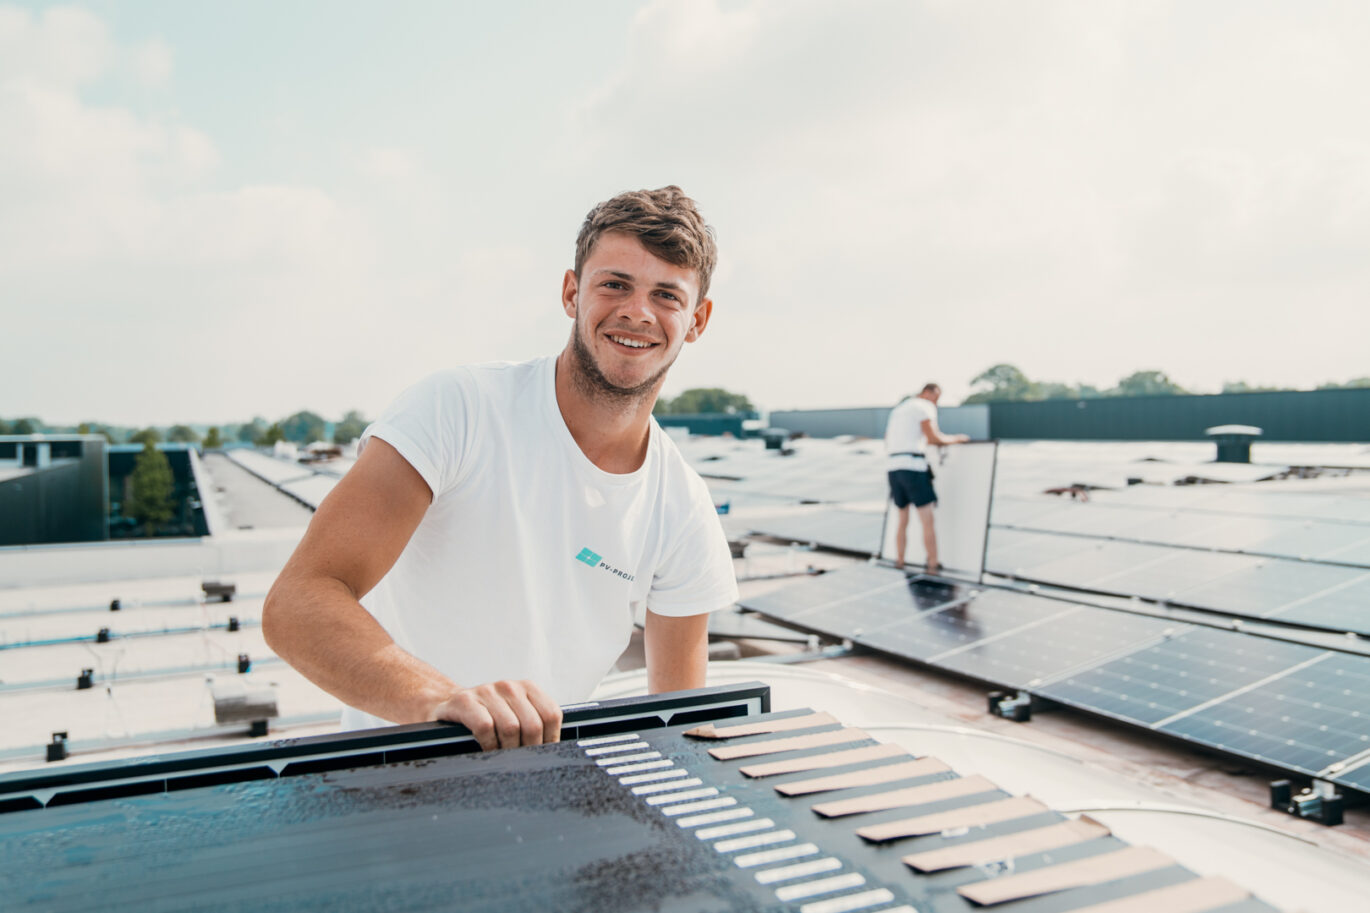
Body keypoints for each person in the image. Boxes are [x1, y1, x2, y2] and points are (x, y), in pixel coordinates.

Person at [263, 186, 739, 751]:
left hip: (547, 805)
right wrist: (439, 701)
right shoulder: (458, 410)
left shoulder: (681, 505)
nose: (637, 311)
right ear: (571, 292)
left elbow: (680, 723)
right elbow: (297, 604)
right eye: (614, 284)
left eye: (667, 295)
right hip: (390, 790)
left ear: (698, 320)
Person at [884, 383, 969, 574]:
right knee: (927, 519)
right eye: (936, 397)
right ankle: (933, 563)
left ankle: (900, 560)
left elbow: (887, 438)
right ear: (927, 393)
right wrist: (957, 439)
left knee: (902, 518)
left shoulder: (900, 409)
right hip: (913, 467)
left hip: (893, 467)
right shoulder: (923, 406)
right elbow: (933, 438)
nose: (936, 402)